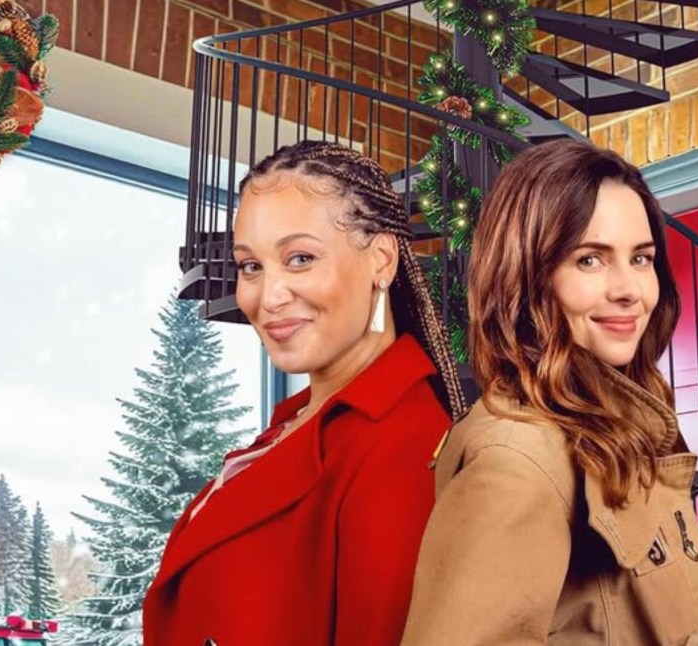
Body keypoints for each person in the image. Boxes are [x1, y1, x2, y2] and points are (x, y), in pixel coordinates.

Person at [401, 140, 698, 646]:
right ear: (527, 276)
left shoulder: (615, 420)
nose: (629, 289)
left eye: (641, 258)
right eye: (589, 260)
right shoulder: (518, 456)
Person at [143, 140, 466, 646]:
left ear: (382, 259)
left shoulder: (404, 447)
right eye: (251, 266)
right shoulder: (298, 422)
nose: (268, 297)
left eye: (299, 258)